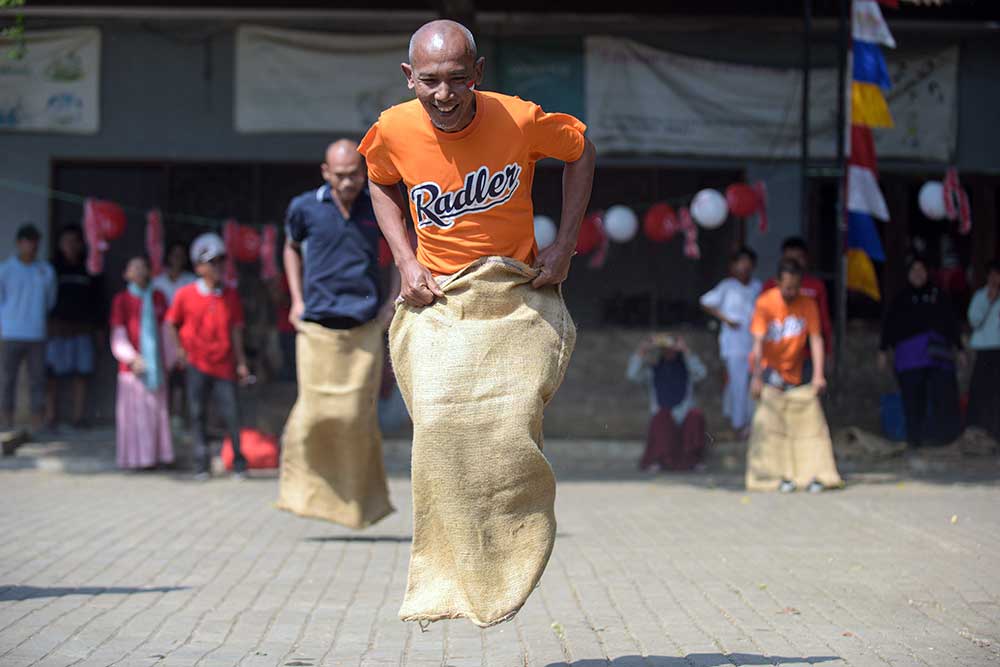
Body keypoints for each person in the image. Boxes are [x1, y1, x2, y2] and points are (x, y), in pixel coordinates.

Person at [358, 19, 595, 627]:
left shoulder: (518, 118)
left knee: (510, 420)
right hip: (439, 297)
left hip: (512, 291)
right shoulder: (393, 127)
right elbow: (379, 182)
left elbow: (580, 151)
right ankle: (445, 575)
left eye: (457, 80)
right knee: (436, 424)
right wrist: (405, 259)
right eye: (430, 81)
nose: (443, 95)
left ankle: (512, 556)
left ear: (478, 75)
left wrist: (565, 244)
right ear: (409, 78)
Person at [277, 139, 399, 529]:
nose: (348, 183)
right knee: (312, 415)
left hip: (363, 327)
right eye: (340, 175)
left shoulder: (376, 205)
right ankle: (301, 496)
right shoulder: (304, 208)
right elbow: (290, 248)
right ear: (326, 172)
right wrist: (295, 299)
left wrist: (391, 301)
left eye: (355, 175)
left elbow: (402, 253)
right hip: (316, 326)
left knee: (355, 418)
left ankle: (360, 508)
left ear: (363, 173)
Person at [746, 259, 842, 493]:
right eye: (787, 287)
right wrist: (757, 377)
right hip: (770, 370)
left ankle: (813, 474)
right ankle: (772, 477)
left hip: (797, 371)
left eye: (795, 287)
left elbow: (816, 339)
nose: (791, 292)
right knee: (770, 425)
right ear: (778, 282)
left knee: (809, 425)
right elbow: (758, 343)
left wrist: (819, 375)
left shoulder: (808, 304)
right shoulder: (765, 303)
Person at [165, 232, 250, 480]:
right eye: (213, 262)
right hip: (196, 363)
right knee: (197, 413)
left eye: (222, 261)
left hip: (224, 365)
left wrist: (242, 363)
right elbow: (171, 323)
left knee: (232, 414)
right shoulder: (185, 294)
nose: (219, 267)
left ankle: (239, 464)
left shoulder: (231, 295)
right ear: (199, 266)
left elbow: (236, 331)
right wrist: (179, 350)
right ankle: (201, 465)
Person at [879, 255, 965, 449]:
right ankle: (914, 440)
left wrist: (959, 348)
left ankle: (943, 439)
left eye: (921, 270)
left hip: (937, 357)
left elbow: (951, 322)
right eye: (914, 270)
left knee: (941, 397)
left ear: (927, 273)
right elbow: (889, 324)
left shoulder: (939, 295)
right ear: (908, 274)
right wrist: (883, 350)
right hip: (909, 358)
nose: (918, 274)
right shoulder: (900, 298)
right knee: (912, 399)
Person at [109, 256, 173, 469]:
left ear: (148, 271)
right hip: (132, 369)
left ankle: (156, 457)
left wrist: (171, 359)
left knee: (156, 413)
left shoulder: (158, 297)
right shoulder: (122, 300)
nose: (137, 271)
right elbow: (118, 334)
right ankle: (136, 460)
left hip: (156, 367)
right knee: (133, 416)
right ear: (126, 274)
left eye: (142, 267)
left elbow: (166, 331)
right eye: (133, 267)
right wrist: (132, 358)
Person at [0, 224, 57, 451]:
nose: (31, 246)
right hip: (11, 332)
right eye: (27, 241)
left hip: (37, 332)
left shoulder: (46, 270)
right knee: (7, 379)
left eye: (34, 242)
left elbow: (50, 301)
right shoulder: (6, 269)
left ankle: (36, 425)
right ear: (19, 243)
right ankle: (6, 423)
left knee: (37, 380)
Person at [699, 245, 761, 439]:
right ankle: (738, 425)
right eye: (740, 265)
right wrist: (726, 319)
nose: (744, 269)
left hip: (755, 345)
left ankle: (752, 425)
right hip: (734, 346)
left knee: (754, 385)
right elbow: (705, 302)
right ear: (733, 267)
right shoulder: (727, 286)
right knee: (737, 385)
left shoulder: (758, 287)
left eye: (747, 265)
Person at [46, 224, 104, 429]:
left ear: (81, 244)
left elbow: (98, 300)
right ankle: (51, 416)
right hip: (58, 328)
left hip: (83, 328)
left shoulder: (90, 268)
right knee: (52, 374)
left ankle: (78, 417)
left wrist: (99, 328)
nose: (70, 246)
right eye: (66, 242)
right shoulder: (52, 268)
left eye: (74, 241)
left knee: (82, 373)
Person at [626, 333, 707, 472]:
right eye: (665, 350)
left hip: (684, 413)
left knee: (695, 415)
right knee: (660, 418)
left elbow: (702, 373)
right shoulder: (652, 371)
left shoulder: (687, 370)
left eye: (671, 349)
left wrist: (686, 351)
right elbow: (632, 375)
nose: (668, 352)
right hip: (664, 414)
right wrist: (642, 350)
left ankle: (692, 461)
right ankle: (659, 460)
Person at [762, 237, 833, 364]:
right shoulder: (769, 288)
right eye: (790, 259)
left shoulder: (815, 289)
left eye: (798, 258)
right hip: (775, 356)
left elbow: (823, 323)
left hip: (806, 355)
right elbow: (760, 326)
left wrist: (827, 352)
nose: (791, 293)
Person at [967, 260, 1000, 441]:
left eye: (998, 274)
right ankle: (979, 434)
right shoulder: (980, 296)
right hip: (984, 352)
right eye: (992, 274)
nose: (995, 278)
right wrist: (989, 301)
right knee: (981, 393)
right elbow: (974, 321)